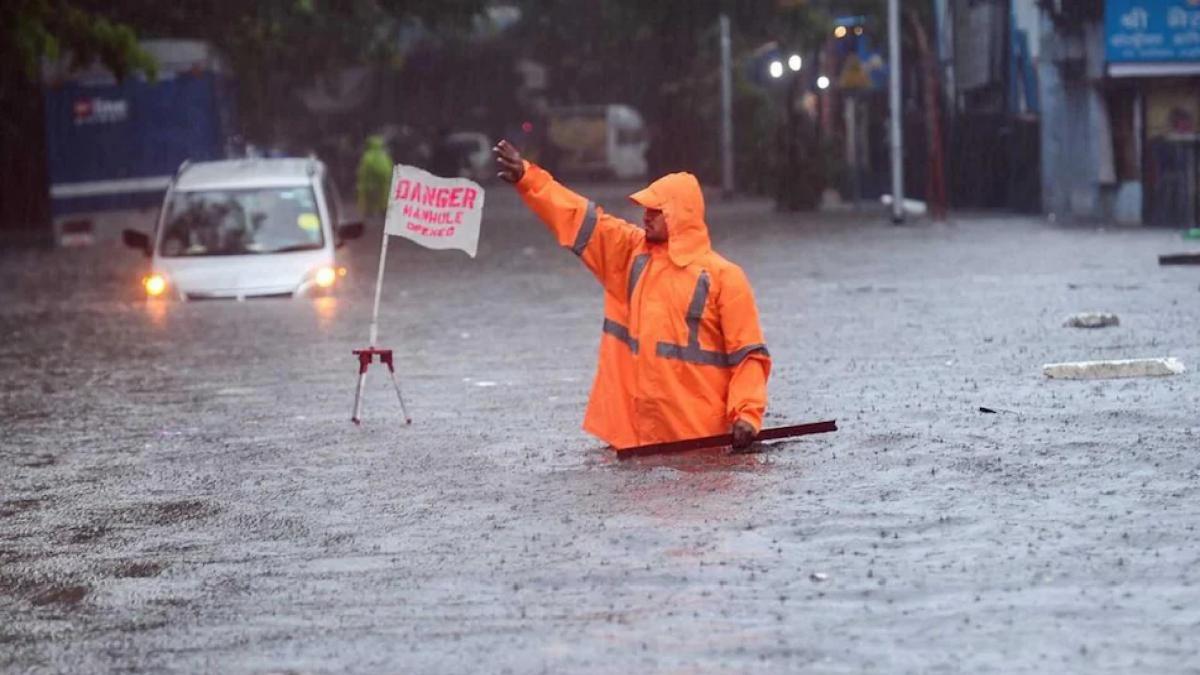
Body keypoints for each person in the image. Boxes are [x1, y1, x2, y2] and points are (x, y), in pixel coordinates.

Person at [494, 139, 770, 450]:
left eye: (656, 211)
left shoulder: (725, 277)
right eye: (646, 210)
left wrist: (747, 415)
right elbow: (578, 217)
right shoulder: (629, 253)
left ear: (680, 215)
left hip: (698, 442)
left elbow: (749, 355)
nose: (646, 216)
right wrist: (528, 178)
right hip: (632, 440)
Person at [356, 135, 393, 219]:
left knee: (370, 199)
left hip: (370, 183)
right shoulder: (385, 155)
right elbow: (390, 167)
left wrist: (361, 183)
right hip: (384, 183)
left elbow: (363, 171)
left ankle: (370, 213)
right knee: (383, 198)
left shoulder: (367, 156)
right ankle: (383, 212)